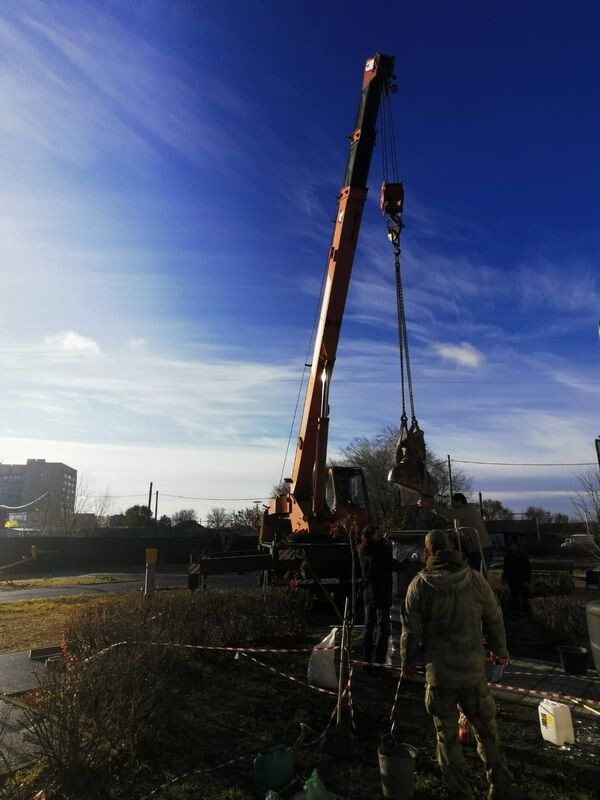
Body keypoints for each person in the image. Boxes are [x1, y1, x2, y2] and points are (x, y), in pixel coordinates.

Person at [401, 529, 515, 800]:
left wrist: (408, 662)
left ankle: (459, 792)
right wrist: (500, 650)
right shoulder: (476, 581)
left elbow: (410, 631)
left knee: (447, 737)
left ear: (428, 553)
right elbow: (494, 618)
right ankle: (500, 786)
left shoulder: (419, 586)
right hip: (473, 672)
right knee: (486, 730)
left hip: (439, 676)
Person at [358, 524, 404, 669]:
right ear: (373, 534)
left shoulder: (364, 548)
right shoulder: (380, 549)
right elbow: (389, 564)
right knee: (383, 627)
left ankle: (366, 658)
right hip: (382, 593)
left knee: (369, 626)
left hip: (369, 593)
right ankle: (379, 659)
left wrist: (383, 543)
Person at [432, 493, 493, 575]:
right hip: (473, 548)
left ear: (460, 502)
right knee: (471, 573)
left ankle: (480, 586)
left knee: (478, 574)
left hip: (482, 548)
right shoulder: (460, 514)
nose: (452, 506)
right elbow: (461, 530)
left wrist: (432, 505)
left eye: (453, 503)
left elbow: (448, 513)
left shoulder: (467, 509)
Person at [502, 541, 531, 615]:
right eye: (512, 545)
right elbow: (505, 569)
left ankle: (526, 613)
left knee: (524, 598)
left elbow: (527, 569)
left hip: (521, 580)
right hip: (512, 581)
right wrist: (504, 579)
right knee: (514, 598)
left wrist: (527, 580)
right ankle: (515, 613)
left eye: (514, 545)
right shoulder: (508, 557)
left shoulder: (523, 556)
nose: (513, 547)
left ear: (517, 546)